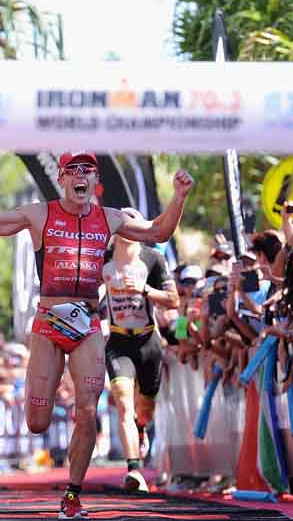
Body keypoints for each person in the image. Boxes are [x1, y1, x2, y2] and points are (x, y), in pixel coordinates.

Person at [0, 151, 193, 519]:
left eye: (88, 171)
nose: (81, 176)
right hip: (48, 320)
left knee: (88, 408)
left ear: (95, 181)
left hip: (88, 322)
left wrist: (180, 196)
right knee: (37, 422)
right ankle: (63, 467)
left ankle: (73, 495)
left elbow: (159, 231)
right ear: (62, 178)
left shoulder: (110, 218)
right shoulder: (38, 213)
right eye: (73, 170)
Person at [100, 208, 178, 492]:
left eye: (130, 222)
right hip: (119, 342)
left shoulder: (153, 258)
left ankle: (141, 427)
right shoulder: (103, 259)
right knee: (122, 400)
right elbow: (85, 294)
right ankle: (134, 470)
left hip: (148, 342)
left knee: (144, 411)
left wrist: (144, 290)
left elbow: (173, 300)